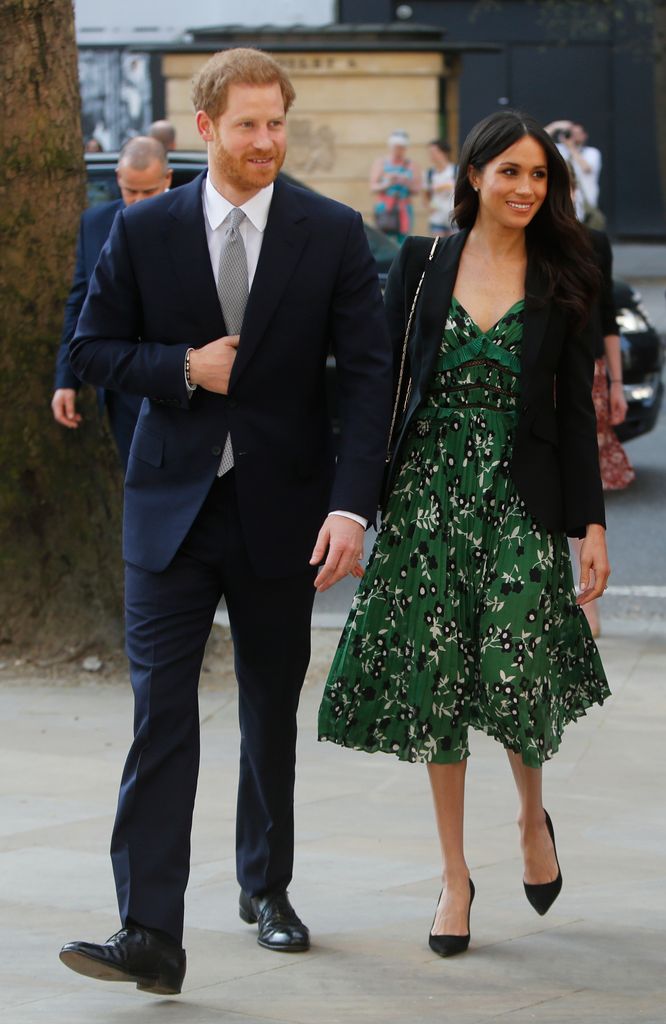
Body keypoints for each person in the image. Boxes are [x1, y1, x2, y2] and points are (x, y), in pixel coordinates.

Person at [59, 48, 392, 994]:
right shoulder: (148, 226)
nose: (266, 141)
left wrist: (350, 505)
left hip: (285, 512)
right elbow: (92, 345)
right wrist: (181, 370)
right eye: (247, 124)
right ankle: (149, 930)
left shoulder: (330, 233)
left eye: (277, 122)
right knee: (161, 714)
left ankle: (268, 888)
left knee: (269, 710)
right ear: (205, 128)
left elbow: (368, 379)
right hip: (168, 508)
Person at [319, 110, 611, 958]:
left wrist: (588, 522)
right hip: (426, 495)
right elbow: (383, 383)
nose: (526, 188)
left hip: (521, 495)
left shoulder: (566, 267)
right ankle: (454, 875)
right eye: (511, 171)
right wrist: (355, 502)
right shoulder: (422, 261)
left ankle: (530, 818)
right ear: (475, 174)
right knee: (438, 680)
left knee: (517, 665)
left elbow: (574, 406)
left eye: (541, 175)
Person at [51, 136, 172, 467]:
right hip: (120, 387)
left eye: (148, 192)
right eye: (130, 191)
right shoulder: (94, 224)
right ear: (118, 177)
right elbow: (80, 303)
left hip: (177, 381)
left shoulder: (191, 221)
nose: (137, 201)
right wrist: (66, 381)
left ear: (167, 179)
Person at [571, 226, 634, 637]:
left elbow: (607, 313)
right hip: (534, 372)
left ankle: (586, 602)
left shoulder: (593, 242)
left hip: (586, 372)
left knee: (579, 486)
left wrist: (615, 383)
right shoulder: (524, 237)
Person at [545, 119, 602, 225]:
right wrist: (555, 126)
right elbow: (539, 141)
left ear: (584, 135)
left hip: (586, 203)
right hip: (564, 200)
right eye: (571, 133)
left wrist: (571, 148)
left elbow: (586, 168)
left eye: (577, 133)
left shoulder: (592, 152)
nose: (573, 136)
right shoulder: (559, 149)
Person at [370, 130, 422, 243]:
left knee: (403, 241)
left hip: (404, 208)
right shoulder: (381, 163)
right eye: (396, 147)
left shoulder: (411, 164)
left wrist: (405, 182)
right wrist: (388, 183)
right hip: (385, 208)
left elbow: (417, 189)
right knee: (383, 240)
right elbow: (373, 187)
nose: (399, 150)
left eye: (402, 147)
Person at [423, 139, 456, 236]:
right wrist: (429, 207)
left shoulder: (455, 171)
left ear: (443, 152)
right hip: (437, 217)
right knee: (437, 247)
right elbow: (425, 194)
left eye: (434, 152)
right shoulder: (429, 174)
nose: (431, 155)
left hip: (454, 218)